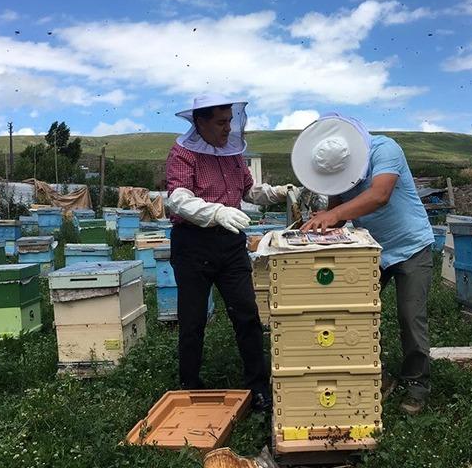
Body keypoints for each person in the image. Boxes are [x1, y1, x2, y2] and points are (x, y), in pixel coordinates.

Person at [292, 113, 435, 414]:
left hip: (411, 246)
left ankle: (416, 383)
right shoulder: (335, 166)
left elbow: (380, 195)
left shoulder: (385, 149)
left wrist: (332, 215)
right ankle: (374, 374)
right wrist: (320, 229)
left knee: (411, 317)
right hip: (371, 249)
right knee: (353, 314)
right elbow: (337, 212)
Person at [164, 94, 291, 410]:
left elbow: (249, 191)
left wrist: (277, 192)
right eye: (220, 122)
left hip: (231, 244)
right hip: (192, 244)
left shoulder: (233, 153)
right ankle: (189, 386)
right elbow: (177, 199)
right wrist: (216, 212)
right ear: (200, 121)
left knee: (247, 314)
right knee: (192, 320)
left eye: (229, 120)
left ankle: (258, 386)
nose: (227, 127)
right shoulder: (182, 154)